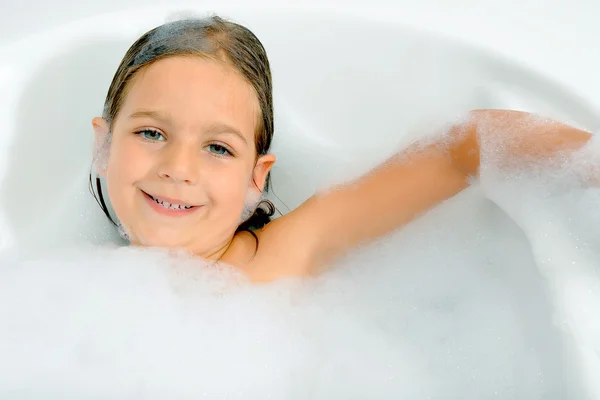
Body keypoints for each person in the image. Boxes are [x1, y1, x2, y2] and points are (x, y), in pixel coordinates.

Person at [90, 16, 593, 282]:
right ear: (104, 143)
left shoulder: (285, 256)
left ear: (255, 176)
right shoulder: (67, 290)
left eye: (218, 148)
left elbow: (466, 146)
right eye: (152, 133)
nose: (178, 168)